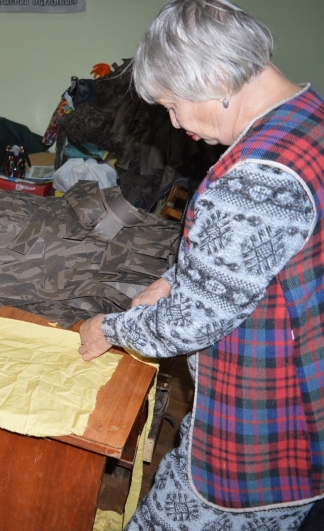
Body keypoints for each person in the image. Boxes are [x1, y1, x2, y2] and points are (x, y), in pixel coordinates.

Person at [78, 1, 323, 529]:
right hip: (305, 401)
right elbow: (262, 255)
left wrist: (109, 327)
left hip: (256, 433)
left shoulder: (255, 176)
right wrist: (173, 279)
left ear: (214, 77)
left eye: (173, 104)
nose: (175, 122)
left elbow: (190, 323)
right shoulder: (309, 119)